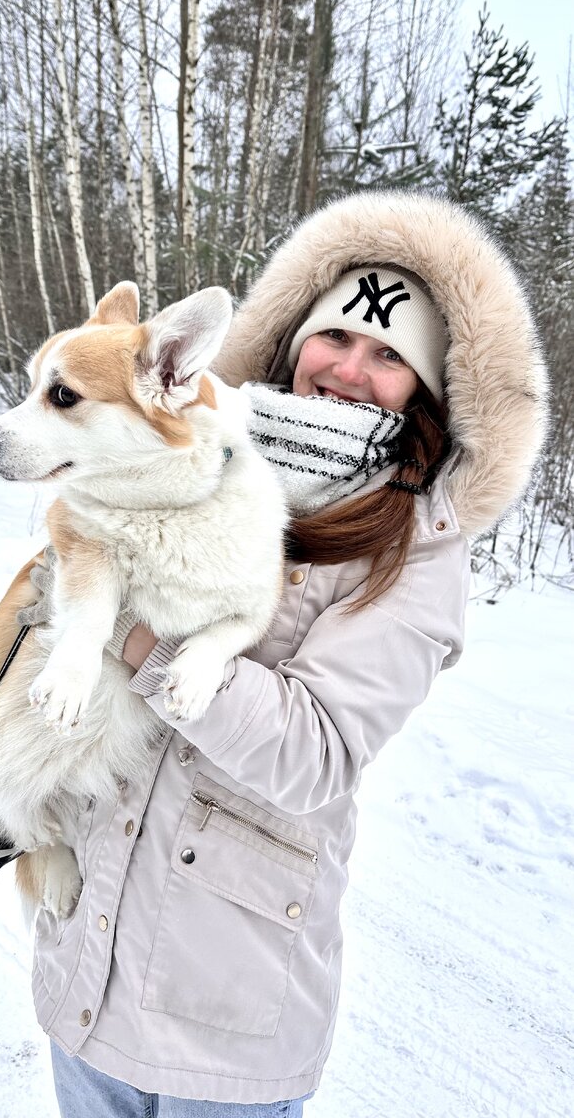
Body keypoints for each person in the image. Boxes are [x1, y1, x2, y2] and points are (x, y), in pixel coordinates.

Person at [27, 190, 546, 1117]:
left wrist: (137, 637)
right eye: (334, 337)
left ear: (424, 389)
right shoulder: (185, 458)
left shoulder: (415, 551)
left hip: (223, 1015)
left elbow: (313, 753)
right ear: (291, 339)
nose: (348, 368)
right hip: (86, 964)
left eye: (388, 354)